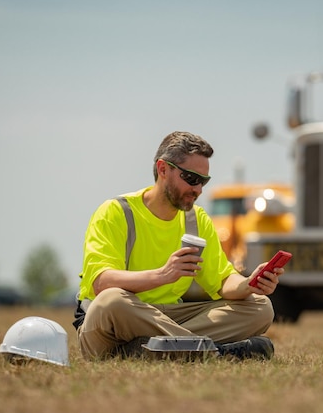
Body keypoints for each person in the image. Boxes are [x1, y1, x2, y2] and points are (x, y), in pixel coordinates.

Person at [74, 131, 286, 361]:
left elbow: (223, 280)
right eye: (191, 179)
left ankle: (150, 349)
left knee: (260, 307)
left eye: (204, 181)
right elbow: (101, 283)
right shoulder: (116, 212)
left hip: (169, 318)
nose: (198, 190)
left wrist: (248, 284)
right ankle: (213, 352)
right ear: (163, 169)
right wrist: (162, 275)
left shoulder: (197, 220)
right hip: (115, 320)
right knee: (111, 301)